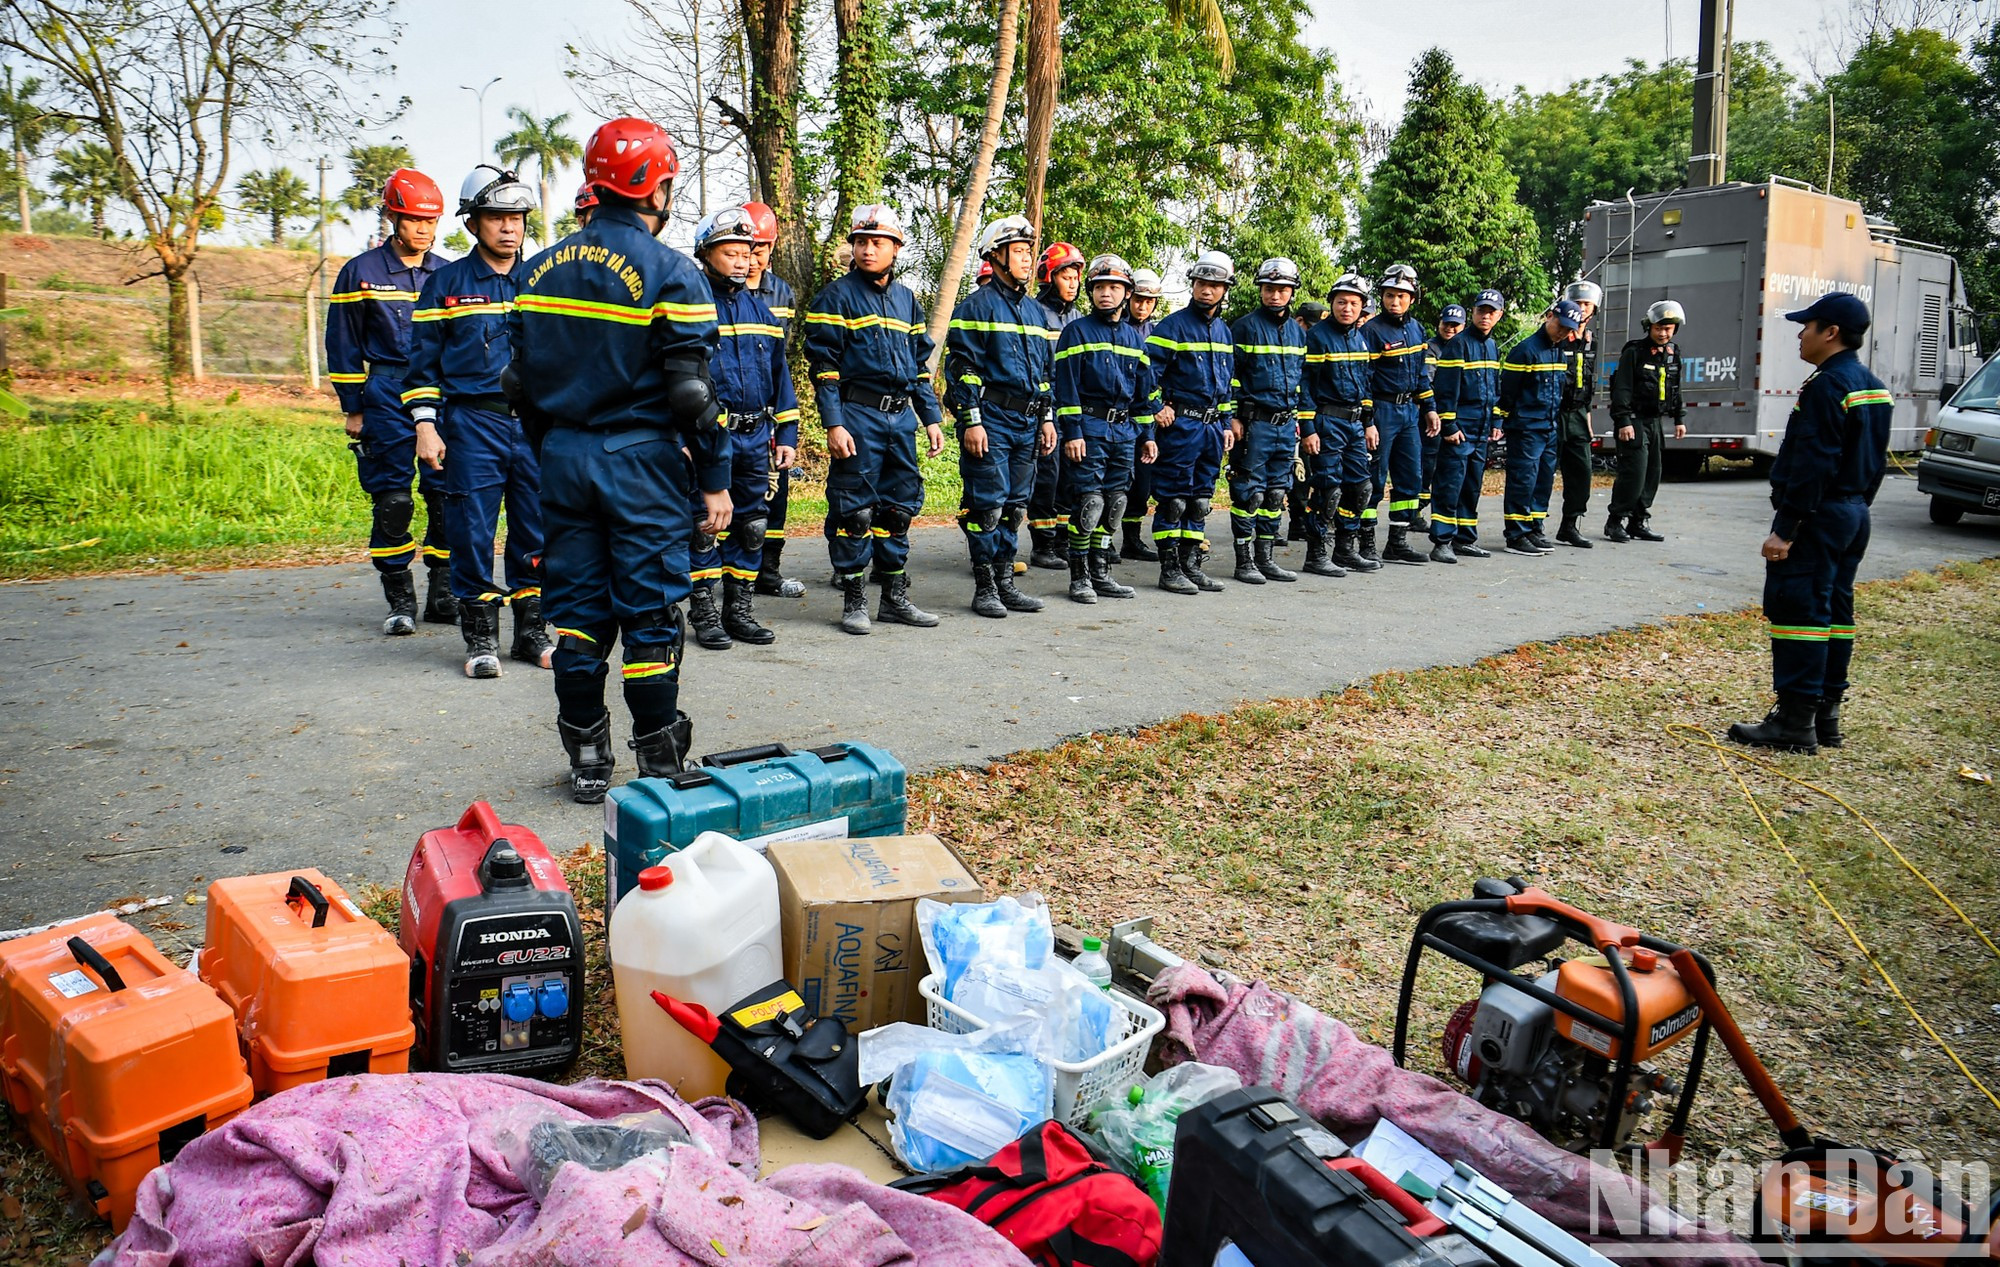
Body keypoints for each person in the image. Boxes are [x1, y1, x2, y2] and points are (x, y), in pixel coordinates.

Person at [504, 116, 730, 802]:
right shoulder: (671, 271)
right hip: (641, 465)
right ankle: (659, 764)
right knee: (653, 615)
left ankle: (588, 759)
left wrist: (559, 449)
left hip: (564, 459)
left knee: (575, 614)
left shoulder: (538, 267)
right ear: (653, 185)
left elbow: (519, 386)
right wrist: (716, 474)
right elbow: (691, 395)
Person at [401, 165, 551, 679]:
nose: (509, 227)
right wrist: (425, 426)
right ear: (472, 223)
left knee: (535, 532)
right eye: (496, 217)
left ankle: (531, 634)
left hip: (534, 429)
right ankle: (481, 637)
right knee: (471, 532)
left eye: (517, 217)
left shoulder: (543, 282)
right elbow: (420, 367)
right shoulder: (445, 286)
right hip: (472, 426)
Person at [1728, 292, 1891, 754]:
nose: (1800, 334)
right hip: (1853, 512)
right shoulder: (1872, 386)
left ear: (1831, 332)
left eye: (1807, 326)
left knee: (1800, 611)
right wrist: (1856, 505)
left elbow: (1813, 464)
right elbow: (1875, 461)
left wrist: (1787, 528)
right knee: (1836, 613)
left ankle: (1796, 721)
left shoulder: (1828, 386)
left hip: (1820, 515)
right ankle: (1826, 716)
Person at [804, 203, 948, 635]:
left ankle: (894, 599)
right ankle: (854, 601)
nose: (868, 250)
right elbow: (824, 369)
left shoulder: (908, 301)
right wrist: (834, 423)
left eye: (878, 243)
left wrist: (932, 418)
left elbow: (920, 368)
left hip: (900, 418)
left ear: (895, 249)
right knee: (856, 513)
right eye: (861, 242)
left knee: (898, 512)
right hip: (857, 414)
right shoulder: (835, 297)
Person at [326, 168, 452, 635]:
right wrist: (353, 407)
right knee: (393, 500)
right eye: (414, 219)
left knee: (445, 497)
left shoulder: (446, 274)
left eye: (431, 221)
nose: (423, 229)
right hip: (384, 393)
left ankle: (443, 593)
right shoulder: (360, 273)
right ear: (393, 217)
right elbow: (342, 345)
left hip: (440, 397)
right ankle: (400, 599)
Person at [681, 206, 799, 650]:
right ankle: (705, 613)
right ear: (706, 254)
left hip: (755, 439)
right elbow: (673, 381)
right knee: (705, 524)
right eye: (730, 252)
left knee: (751, 526)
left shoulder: (762, 311)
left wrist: (786, 435)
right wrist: (681, 440)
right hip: (708, 437)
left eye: (747, 252)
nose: (741, 260)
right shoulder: (690, 308)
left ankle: (739, 611)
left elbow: (780, 377)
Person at [943, 213, 1056, 618]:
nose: (1028, 258)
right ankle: (985, 587)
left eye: (1029, 251)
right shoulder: (975, 307)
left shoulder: (1035, 312)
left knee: (1015, 507)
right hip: (991, 419)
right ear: (997, 256)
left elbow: (1045, 374)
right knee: (986, 507)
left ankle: (1006, 583)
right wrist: (970, 420)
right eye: (1020, 251)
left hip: (1028, 421)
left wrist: (1046, 418)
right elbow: (959, 369)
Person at [1053, 253, 1158, 603]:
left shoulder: (1134, 338)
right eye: (1099, 287)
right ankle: (1079, 576)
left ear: (1127, 292)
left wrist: (1147, 437)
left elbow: (1144, 396)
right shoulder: (1076, 332)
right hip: (1090, 427)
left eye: (1114, 287)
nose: (1106, 294)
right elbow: (1064, 387)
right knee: (1089, 502)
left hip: (1124, 432)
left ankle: (1102, 572)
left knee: (1115, 503)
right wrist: (1073, 433)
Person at [1144, 250, 1236, 595]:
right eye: (1201, 283)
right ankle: (1169, 570)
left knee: (1200, 499)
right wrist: (1156, 406)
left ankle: (1190, 565)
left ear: (1225, 289)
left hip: (1212, 429)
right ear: (1192, 285)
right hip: (1181, 427)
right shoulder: (1172, 326)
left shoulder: (1225, 332)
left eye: (1214, 285)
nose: (1206, 291)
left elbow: (1226, 383)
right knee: (1174, 499)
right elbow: (1145, 373)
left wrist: (1226, 422)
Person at [1226, 257, 1312, 584]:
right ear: (1260, 290)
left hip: (1286, 424)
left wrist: (1302, 422)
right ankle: (1244, 561)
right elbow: (1231, 376)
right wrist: (1234, 416)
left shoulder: (1297, 332)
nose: (1275, 295)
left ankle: (1266, 558)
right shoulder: (1244, 326)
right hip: (1254, 424)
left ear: (1291, 292)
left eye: (1282, 289)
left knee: (1277, 493)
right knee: (1249, 493)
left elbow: (1301, 380)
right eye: (1269, 289)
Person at [740, 200, 808, 601]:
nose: (753, 259)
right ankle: (721, 578)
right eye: (748, 249)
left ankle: (769, 570)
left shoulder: (782, 291)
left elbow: (782, 359)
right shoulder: (711, 291)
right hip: (731, 409)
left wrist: (785, 423)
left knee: (775, 492)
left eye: (761, 249)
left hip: (769, 408)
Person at [1361, 264, 1440, 565]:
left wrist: (1430, 408)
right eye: (1390, 295)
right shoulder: (1372, 330)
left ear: (1413, 298)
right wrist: (1368, 421)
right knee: (1374, 479)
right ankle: (1366, 543)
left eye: (1402, 296)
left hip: (1410, 411)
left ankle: (1397, 542)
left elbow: (1421, 373)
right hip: (1382, 410)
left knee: (1410, 478)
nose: (1395, 302)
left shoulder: (1417, 329)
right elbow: (1364, 380)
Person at [1302, 273, 1378, 574]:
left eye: (1354, 303)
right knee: (1327, 490)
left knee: (1360, 487)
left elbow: (1365, 384)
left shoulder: (1359, 338)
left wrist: (1369, 423)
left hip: (1355, 424)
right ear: (1332, 303)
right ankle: (1316, 553)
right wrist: (1308, 428)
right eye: (1342, 302)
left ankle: (1345, 549)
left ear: (1362, 307)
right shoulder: (1318, 336)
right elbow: (1305, 384)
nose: (1347, 308)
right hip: (1327, 421)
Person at [1496, 300, 1582, 556]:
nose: (1564, 333)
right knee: (1523, 481)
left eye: (1569, 330)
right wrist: (1501, 422)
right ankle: (1516, 533)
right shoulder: (1525, 351)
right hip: (1525, 428)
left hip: (1548, 427)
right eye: (1561, 326)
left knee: (1543, 480)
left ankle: (1534, 527)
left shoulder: (1559, 350)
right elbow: (1507, 393)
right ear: (1549, 317)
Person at [1426, 290, 1505, 564]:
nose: (1486, 316)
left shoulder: (1492, 346)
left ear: (1499, 316)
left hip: (1482, 429)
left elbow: (1495, 389)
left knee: (1471, 486)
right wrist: (1449, 425)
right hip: (1460, 428)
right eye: (1481, 310)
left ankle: (1465, 539)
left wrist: (1496, 421)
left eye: (1491, 312)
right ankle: (1442, 541)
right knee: (1450, 484)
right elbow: (1446, 388)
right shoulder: (1458, 344)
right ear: (1473, 312)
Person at [1605, 299, 1688, 543]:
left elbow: (1676, 388)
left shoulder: (1673, 354)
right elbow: (1621, 389)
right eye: (1659, 328)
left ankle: (1638, 522)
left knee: (1653, 473)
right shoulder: (1634, 352)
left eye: (1668, 329)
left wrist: (1679, 418)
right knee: (1634, 473)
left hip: (1655, 422)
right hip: (1635, 420)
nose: (1663, 333)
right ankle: (1615, 521)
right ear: (1649, 327)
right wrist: (1623, 421)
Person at [1026, 242, 1085, 569]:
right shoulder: (1035, 314)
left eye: (1077, 275)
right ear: (1050, 276)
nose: (1074, 282)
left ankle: (1062, 540)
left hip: (1073, 412)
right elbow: (1036, 368)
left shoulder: (1078, 319)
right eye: (1067, 274)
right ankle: (1042, 544)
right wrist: (1045, 412)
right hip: (1044, 412)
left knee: (1070, 478)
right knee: (1047, 478)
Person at [1116, 267, 1166, 563]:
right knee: (1115, 481)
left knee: (1142, 483)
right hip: (1119, 415)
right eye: (1138, 299)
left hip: (1147, 419)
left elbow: (1160, 377)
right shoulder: (1115, 325)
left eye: (1149, 302)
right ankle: (1103, 540)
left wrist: (1159, 405)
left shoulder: (1158, 334)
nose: (1143, 306)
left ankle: (1132, 540)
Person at [1553, 279, 1604, 548]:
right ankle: (1530, 527)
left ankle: (1570, 525)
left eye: (1588, 304)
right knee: (1543, 471)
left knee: (1582, 473)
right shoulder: (1558, 337)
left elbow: (1588, 381)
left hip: (1578, 414)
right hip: (1554, 412)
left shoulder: (1590, 341)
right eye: (1579, 303)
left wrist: (1588, 416)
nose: (1583, 309)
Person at [1412, 303, 1464, 535]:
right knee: (1426, 464)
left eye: (1455, 325)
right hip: (1429, 416)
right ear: (1439, 324)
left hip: (1455, 416)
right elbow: (1430, 383)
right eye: (1446, 324)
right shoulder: (1430, 348)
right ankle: (1416, 511)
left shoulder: (1465, 347)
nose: (1450, 329)